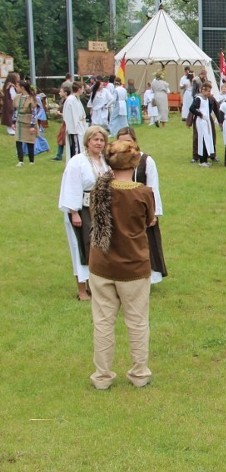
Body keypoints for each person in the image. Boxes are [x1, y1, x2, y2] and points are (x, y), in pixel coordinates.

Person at [87, 139, 156, 390]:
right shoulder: (143, 192)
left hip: (101, 264)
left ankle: (102, 377)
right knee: (137, 321)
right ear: (135, 162)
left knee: (103, 322)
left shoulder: (99, 189)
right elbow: (150, 222)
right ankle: (139, 374)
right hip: (133, 266)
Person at [59, 125, 110, 301]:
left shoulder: (104, 161)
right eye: (95, 139)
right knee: (81, 246)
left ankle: (95, 286)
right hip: (82, 209)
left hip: (101, 209)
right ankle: (82, 289)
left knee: (99, 248)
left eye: (102, 140)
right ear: (87, 141)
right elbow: (71, 187)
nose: (99, 143)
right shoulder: (77, 162)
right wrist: (74, 212)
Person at [116, 127, 167, 285]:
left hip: (142, 210)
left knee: (145, 243)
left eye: (129, 142)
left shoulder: (146, 161)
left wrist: (154, 213)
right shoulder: (114, 161)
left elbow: (153, 188)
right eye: (122, 142)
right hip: (122, 210)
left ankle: (148, 276)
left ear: (135, 142)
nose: (126, 146)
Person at [188, 82, 219, 167]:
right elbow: (192, 108)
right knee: (202, 139)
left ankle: (205, 159)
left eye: (210, 91)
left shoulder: (207, 99)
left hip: (206, 121)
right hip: (201, 121)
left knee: (207, 139)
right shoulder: (199, 98)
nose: (209, 93)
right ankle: (202, 161)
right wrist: (200, 115)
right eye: (208, 91)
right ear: (203, 90)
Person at [13, 81, 38, 166]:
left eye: (17, 87)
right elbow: (15, 110)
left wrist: (32, 125)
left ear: (22, 88)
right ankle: (20, 160)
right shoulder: (17, 97)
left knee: (29, 141)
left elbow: (34, 112)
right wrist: (13, 122)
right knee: (18, 140)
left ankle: (31, 161)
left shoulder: (31, 98)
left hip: (28, 121)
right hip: (19, 121)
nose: (16, 88)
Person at [2, 71, 20, 135]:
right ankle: (10, 130)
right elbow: (11, 96)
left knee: (13, 116)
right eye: (17, 77)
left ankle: (13, 129)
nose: (18, 78)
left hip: (12, 102)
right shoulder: (9, 86)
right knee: (10, 116)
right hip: (10, 103)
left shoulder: (13, 86)